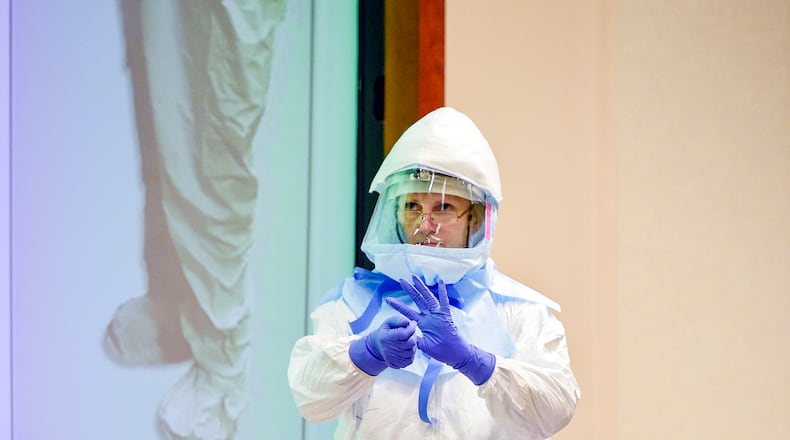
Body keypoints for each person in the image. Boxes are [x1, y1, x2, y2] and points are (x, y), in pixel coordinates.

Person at [287, 107, 580, 439]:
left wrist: (475, 362)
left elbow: (553, 412)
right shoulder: (353, 303)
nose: (425, 225)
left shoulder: (518, 310)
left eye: (443, 207)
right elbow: (311, 402)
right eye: (412, 206)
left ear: (477, 218)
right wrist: (365, 353)